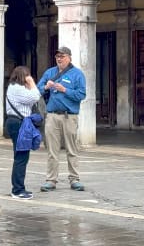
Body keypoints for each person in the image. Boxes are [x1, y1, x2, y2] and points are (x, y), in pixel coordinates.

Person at [37, 46, 87, 192]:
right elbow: (37, 89)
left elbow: (82, 95)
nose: (59, 59)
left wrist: (64, 90)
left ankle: (74, 179)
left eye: (62, 56)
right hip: (52, 116)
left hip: (69, 116)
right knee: (52, 150)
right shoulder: (50, 72)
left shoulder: (77, 74)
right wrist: (46, 87)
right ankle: (51, 180)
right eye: (57, 56)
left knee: (72, 149)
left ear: (69, 58)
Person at [5, 66, 42, 200]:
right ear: (23, 76)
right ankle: (18, 190)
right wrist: (31, 82)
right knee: (21, 157)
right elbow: (35, 96)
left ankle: (19, 188)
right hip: (19, 124)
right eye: (27, 76)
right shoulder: (17, 88)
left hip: (16, 123)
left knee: (20, 156)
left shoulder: (14, 87)